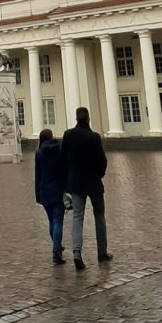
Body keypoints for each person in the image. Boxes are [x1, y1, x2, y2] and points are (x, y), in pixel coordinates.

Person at [60, 107, 111, 270]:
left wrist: (69, 177)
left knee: (77, 216)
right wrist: (99, 174)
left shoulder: (68, 135)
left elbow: (63, 159)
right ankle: (102, 252)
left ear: (76, 118)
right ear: (88, 118)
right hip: (94, 182)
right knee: (99, 215)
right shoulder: (94, 137)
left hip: (76, 183)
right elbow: (102, 161)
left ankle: (76, 252)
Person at [34, 128, 67, 265]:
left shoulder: (39, 153)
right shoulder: (59, 150)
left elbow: (37, 175)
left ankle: (56, 247)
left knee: (51, 222)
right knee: (58, 221)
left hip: (45, 191)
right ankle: (56, 250)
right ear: (52, 136)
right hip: (58, 190)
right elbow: (64, 171)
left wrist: (38, 195)